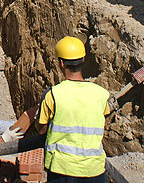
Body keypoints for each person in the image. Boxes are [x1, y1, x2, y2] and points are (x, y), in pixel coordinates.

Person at [36, 36, 110, 182]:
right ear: (83, 60)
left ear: (61, 63)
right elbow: (102, 119)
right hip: (94, 170)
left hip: (62, 170)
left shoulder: (52, 95)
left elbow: (41, 129)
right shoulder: (101, 94)